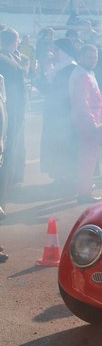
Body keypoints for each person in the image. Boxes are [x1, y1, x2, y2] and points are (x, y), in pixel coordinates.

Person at [69, 44, 102, 204]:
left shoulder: (86, 72)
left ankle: (85, 187)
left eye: (95, 57)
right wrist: (93, 125)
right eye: (89, 57)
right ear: (80, 56)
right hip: (87, 122)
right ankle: (84, 193)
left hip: (89, 119)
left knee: (88, 158)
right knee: (87, 158)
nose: (93, 60)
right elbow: (82, 104)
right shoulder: (82, 75)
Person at [40, 38, 78, 189]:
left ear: (64, 51)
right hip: (55, 110)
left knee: (63, 143)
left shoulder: (69, 67)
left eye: (56, 50)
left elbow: (57, 90)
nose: (53, 53)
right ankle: (60, 175)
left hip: (63, 112)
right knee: (56, 142)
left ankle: (67, 176)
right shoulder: (59, 66)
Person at [0, 29, 28, 213]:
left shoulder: (10, 60)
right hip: (8, 118)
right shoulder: (9, 64)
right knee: (6, 158)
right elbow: (18, 96)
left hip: (8, 115)